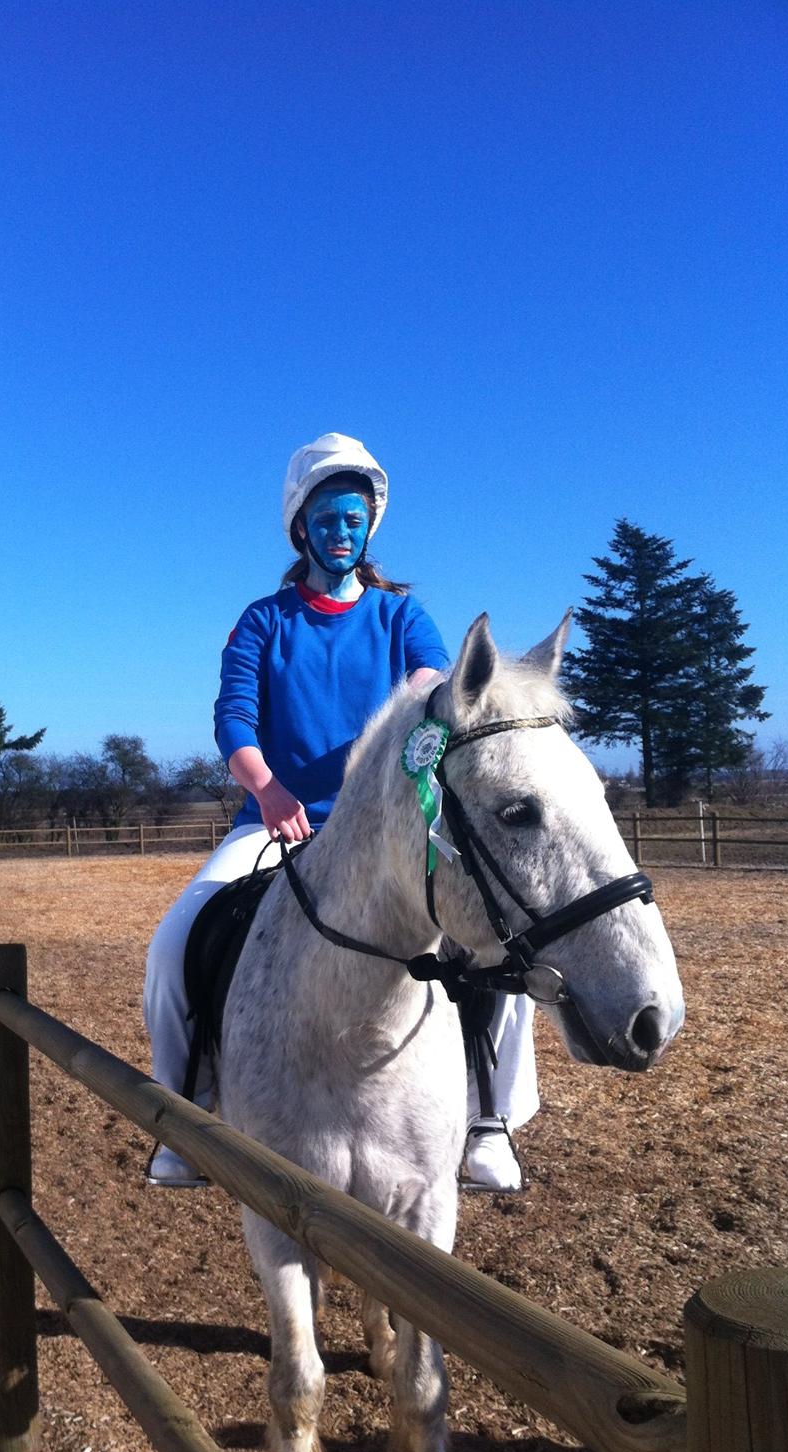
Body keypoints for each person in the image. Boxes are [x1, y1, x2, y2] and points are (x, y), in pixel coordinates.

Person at [142, 432, 536, 1188]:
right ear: (302, 527)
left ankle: (489, 1121)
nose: (341, 532)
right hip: (275, 822)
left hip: (385, 827)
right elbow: (233, 721)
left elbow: (430, 692)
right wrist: (268, 789)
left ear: (368, 526)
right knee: (171, 947)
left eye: (354, 519)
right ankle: (182, 1111)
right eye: (327, 519)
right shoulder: (264, 621)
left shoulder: (400, 616)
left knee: (497, 938)